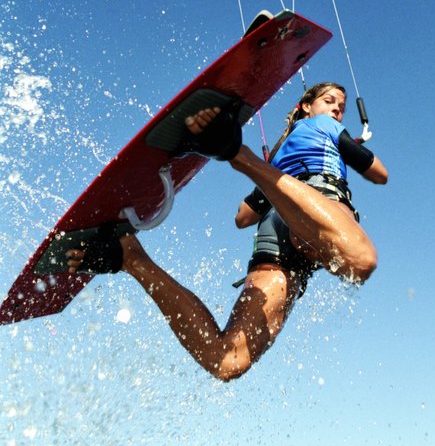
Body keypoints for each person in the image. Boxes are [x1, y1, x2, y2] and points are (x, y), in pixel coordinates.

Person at [66, 82, 388, 382]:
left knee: (226, 361)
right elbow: (379, 175)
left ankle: (130, 258)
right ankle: (236, 153)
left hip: (278, 224)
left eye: (341, 107)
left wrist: (268, 176)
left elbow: (243, 217)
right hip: (316, 201)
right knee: (359, 261)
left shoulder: (279, 159)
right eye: (329, 101)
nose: (336, 110)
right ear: (305, 106)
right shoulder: (324, 126)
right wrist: (353, 143)